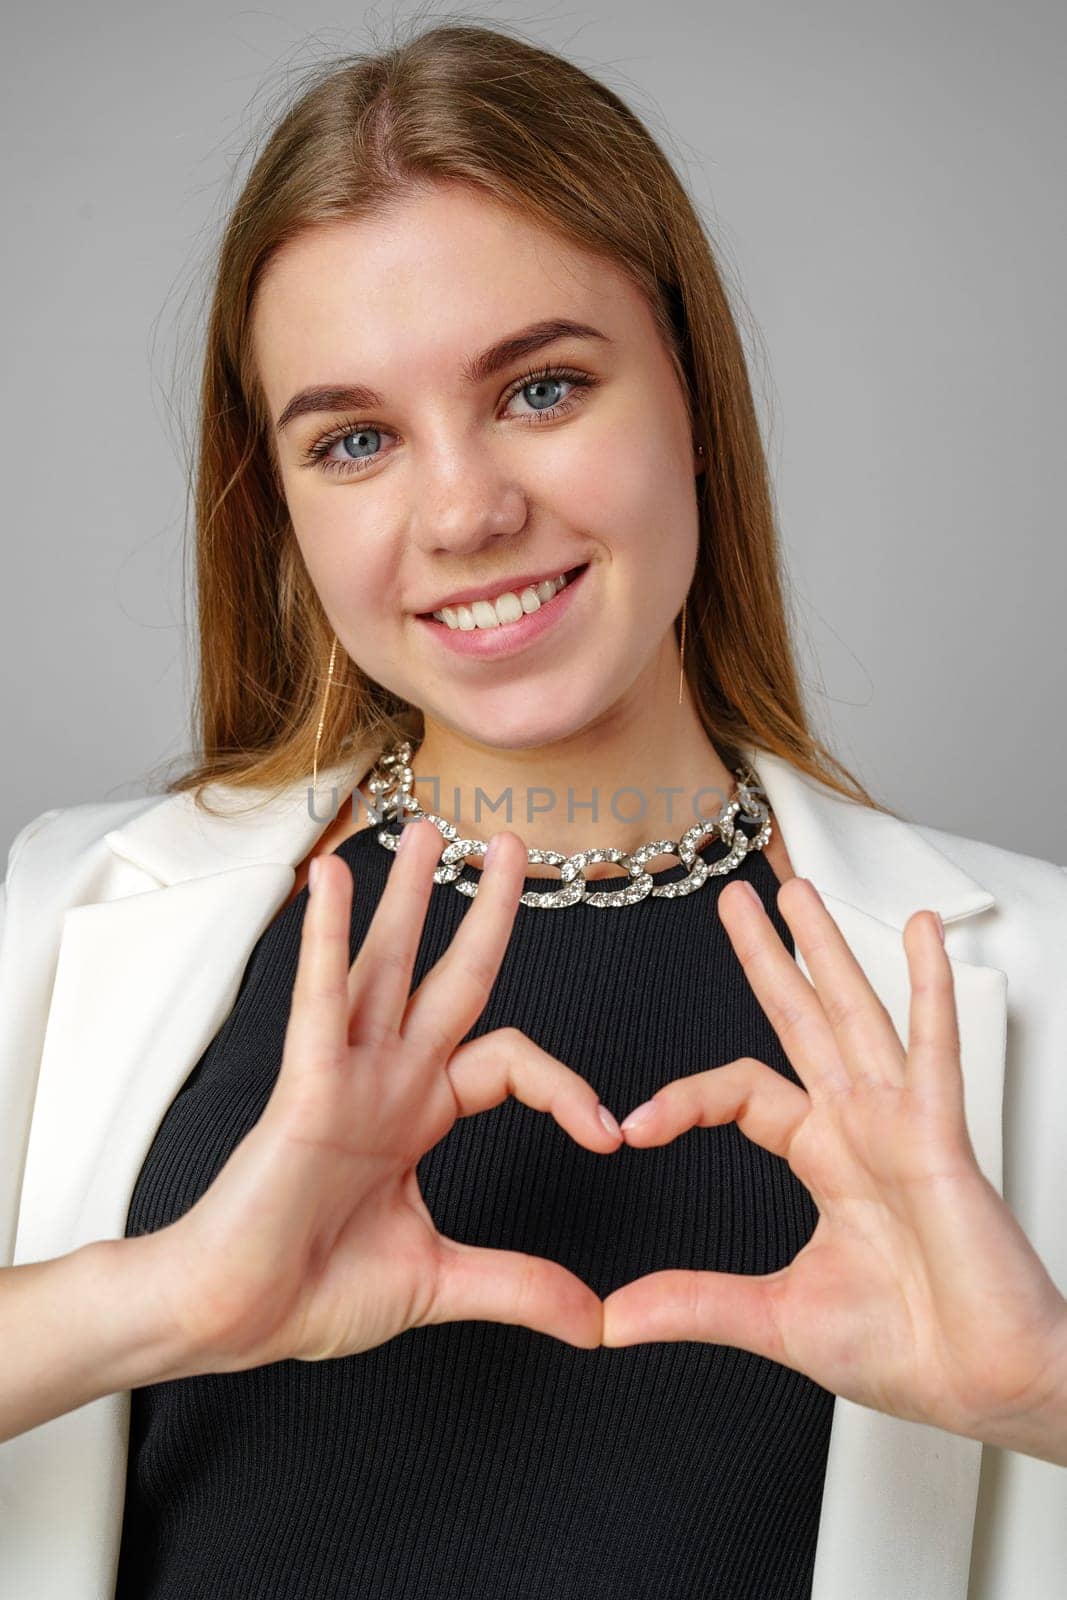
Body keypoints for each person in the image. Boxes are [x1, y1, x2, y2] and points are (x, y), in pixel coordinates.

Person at [1, 16, 1065, 1600]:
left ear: (693, 403)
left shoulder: (1041, 970)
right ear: (279, 509)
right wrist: (157, 1300)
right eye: (354, 439)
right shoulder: (65, 915)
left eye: (543, 388)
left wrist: (1046, 1388)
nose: (465, 511)